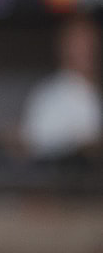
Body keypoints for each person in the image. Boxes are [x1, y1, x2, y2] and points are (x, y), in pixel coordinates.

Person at [20, 15, 102, 163]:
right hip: (69, 179)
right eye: (79, 45)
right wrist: (83, 146)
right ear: (64, 48)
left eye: (90, 43)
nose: (87, 51)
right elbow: (37, 147)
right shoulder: (46, 96)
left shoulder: (95, 91)